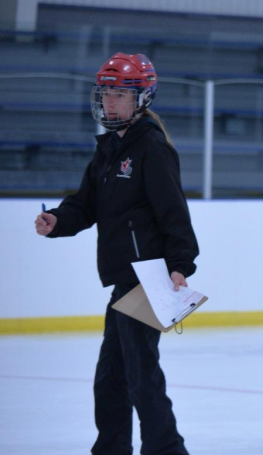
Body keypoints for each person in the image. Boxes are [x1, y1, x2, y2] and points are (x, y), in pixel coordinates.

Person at [35, 52, 197, 455]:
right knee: (111, 378)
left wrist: (180, 263)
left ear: (142, 98)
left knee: (141, 377)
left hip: (149, 277)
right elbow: (86, 203)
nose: (110, 101)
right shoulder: (109, 147)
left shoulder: (152, 147)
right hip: (124, 280)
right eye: (106, 93)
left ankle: (167, 450)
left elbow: (174, 211)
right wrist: (58, 219)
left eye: (120, 94)